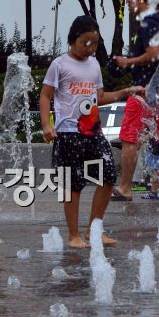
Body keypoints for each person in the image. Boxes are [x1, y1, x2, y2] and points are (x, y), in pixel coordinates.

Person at [40, 15, 145, 248]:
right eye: (86, 42)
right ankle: (73, 236)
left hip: (93, 131)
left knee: (108, 176)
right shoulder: (59, 65)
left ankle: (93, 230)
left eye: (95, 43)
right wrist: (47, 125)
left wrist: (126, 92)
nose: (90, 48)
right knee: (73, 183)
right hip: (68, 132)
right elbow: (45, 96)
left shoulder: (94, 65)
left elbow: (99, 97)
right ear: (73, 39)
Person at [109, 0, 159, 202]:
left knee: (129, 138)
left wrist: (127, 61)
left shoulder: (147, 23)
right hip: (158, 91)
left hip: (144, 90)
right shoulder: (158, 21)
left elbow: (153, 54)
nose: (127, 3)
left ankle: (125, 187)